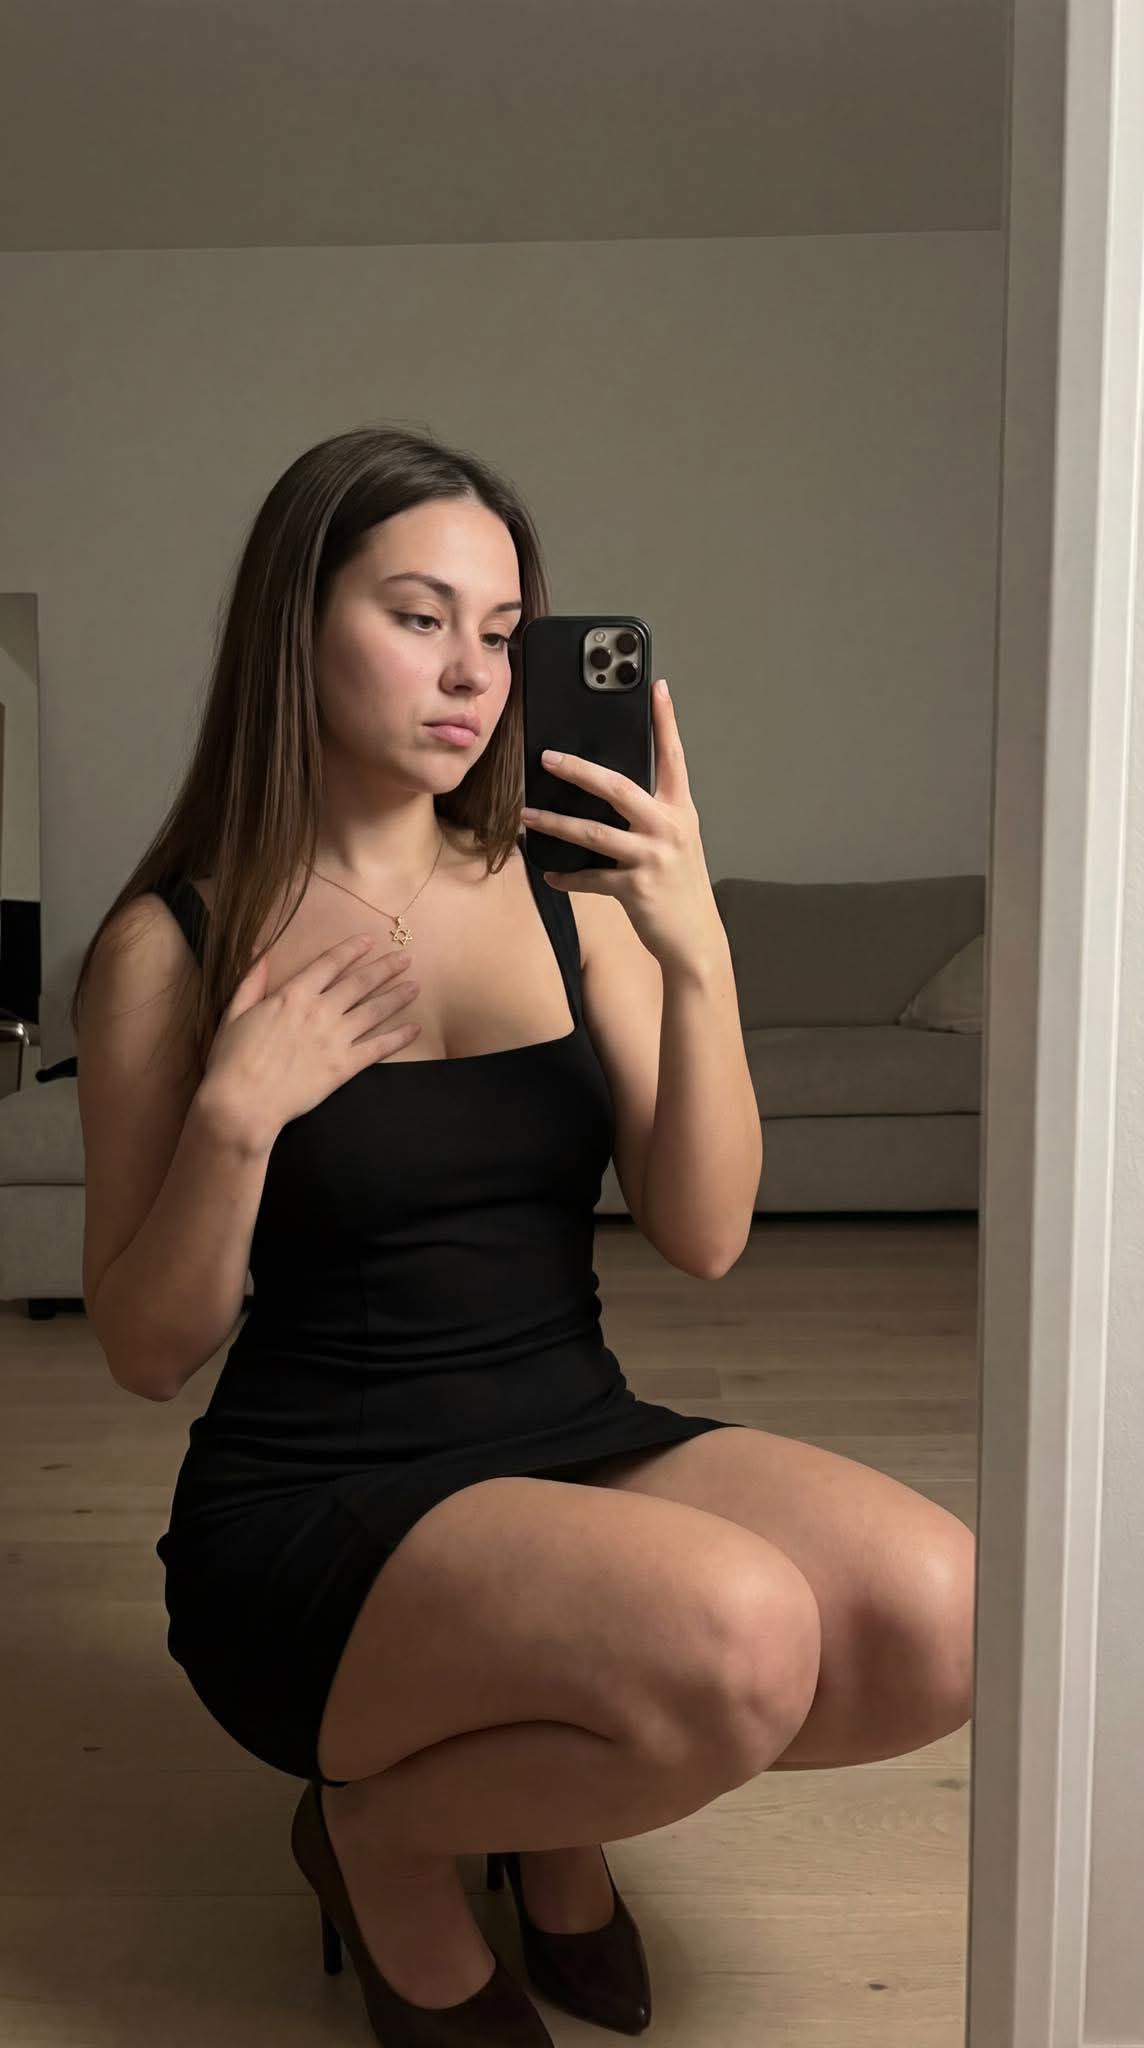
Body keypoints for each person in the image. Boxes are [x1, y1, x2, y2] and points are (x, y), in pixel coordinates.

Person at [71, 423, 777, 2043]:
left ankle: (522, 1803)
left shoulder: (568, 895)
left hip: (568, 1433)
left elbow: (706, 1235)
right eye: (418, 617)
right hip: (319, 1498)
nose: (473, 674)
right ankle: (383, 1839)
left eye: (503, 632)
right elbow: (146, 1350)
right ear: (297, 625)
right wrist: (237, 1120)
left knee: (938, 1616)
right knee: (742, 1635)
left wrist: (698, 952)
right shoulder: (172, 947)